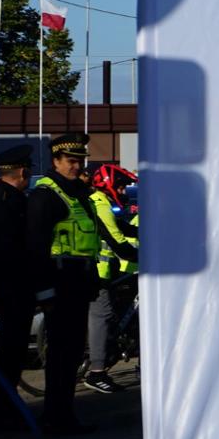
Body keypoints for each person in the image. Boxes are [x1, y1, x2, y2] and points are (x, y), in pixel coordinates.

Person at [27, 134, 130, 434]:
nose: (76, 166)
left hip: (79, 281)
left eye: (80, 161)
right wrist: (44, 292)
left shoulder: (78, 195)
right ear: (56, 162)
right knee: (60, 353)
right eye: (71, 161)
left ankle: (64, 415)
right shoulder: (45, 196)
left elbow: (99, 236)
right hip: (59, 283)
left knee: (71, 352)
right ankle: (55, 417)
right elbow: (35, 248)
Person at [0, 145, 37, 431]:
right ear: (23, 172)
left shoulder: (2, 199)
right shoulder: (9, 202)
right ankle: (5, 412)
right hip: (13, 288)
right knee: (10, 353)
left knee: (12, 352)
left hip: (10, 286)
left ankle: (7, 408)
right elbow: (13, 250)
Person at [82, 163, 139, 395]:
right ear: (111, 186)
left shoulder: (100, 202)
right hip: (97, 274)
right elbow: (117, 241)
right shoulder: (100, 204)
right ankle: (97, 373)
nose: (124, 192)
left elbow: (123, 227)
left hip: (104, 272)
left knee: (110, 313)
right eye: (121, 187)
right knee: (101, 316)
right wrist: (143, 256)